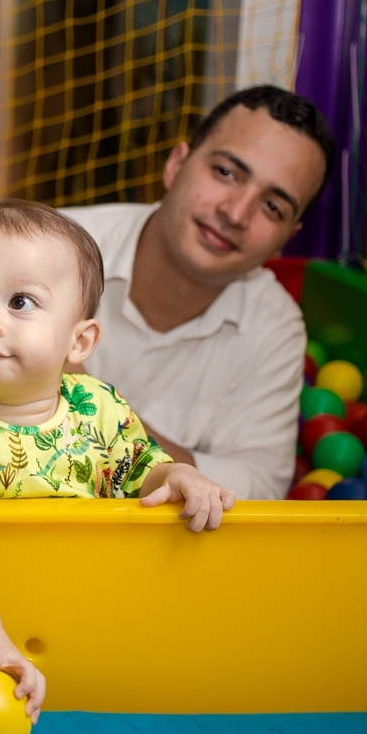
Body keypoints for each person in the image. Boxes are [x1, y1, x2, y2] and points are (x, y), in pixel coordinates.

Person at [0, 200, 235, 722]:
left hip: (91, 631)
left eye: (20, 301)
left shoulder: (99, 406)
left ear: (80, 340)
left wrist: (177, 474)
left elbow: (142, 470)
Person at [60, 85, 336, 500]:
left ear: (285, 239)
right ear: (176, 165)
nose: (236, 213)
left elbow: (259, 489)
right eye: (226, 172)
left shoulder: (274, 325)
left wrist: (88, 409)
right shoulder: (51, 248)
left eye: (272, 206)